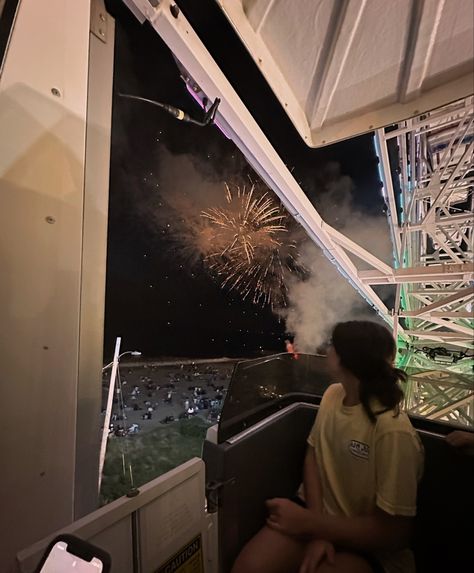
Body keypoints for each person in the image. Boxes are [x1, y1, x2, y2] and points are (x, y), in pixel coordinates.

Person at [232, 321, 424, 573]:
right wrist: (317, 527)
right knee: (249, 568)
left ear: (349, 361)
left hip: (369, 546)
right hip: (318, 514)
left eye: (334, 345)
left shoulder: (392, 432)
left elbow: (393, 534)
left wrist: (311, 525)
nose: (327, 349)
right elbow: (314, 456)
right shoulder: (333, 394)